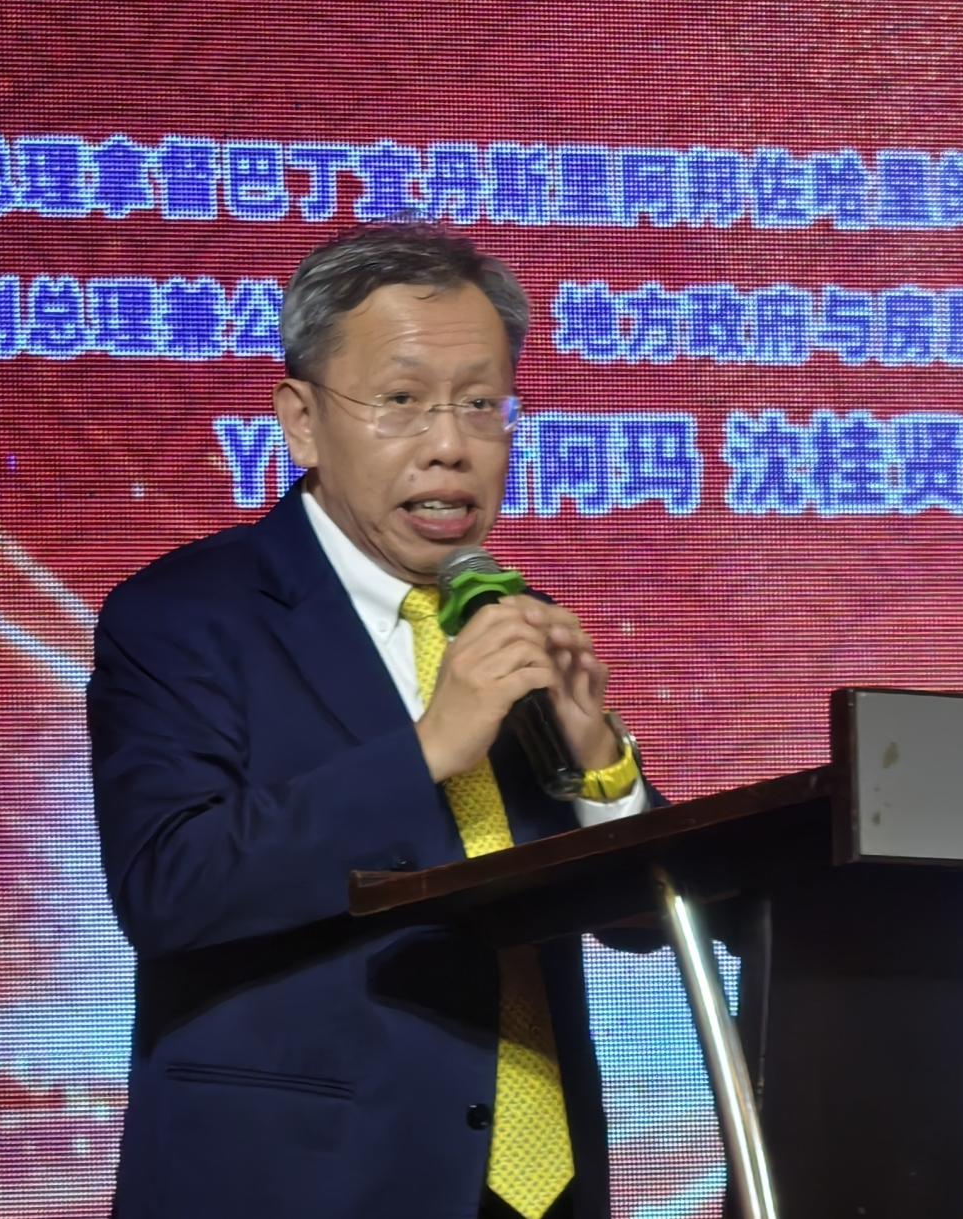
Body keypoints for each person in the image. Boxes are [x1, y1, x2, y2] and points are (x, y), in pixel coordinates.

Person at [87, 222, 663, 1219]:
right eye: (402, 401)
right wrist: (428, 750)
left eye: (480, 404)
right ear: (302, 420)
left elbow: (647, 923)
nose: (451, 444)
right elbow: (170, 887)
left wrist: (599, 762)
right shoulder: (183, 614)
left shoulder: (508, 626)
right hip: (299, 1185)